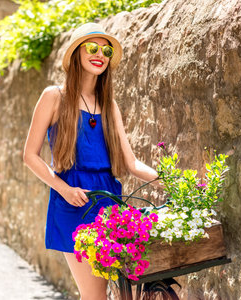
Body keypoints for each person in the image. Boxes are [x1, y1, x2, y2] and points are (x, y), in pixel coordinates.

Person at [23, 22, 160, 300]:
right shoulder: (54, 97)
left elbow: (131, 163)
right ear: (77, 54)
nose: (100, 54)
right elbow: (29, 156)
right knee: (95, 295)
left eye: (106, 50)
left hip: (109, 203)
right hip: (74, 202)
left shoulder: (109, 105)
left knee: (119, 292)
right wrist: (64, 189)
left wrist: (172, 180)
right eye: (92, 47)